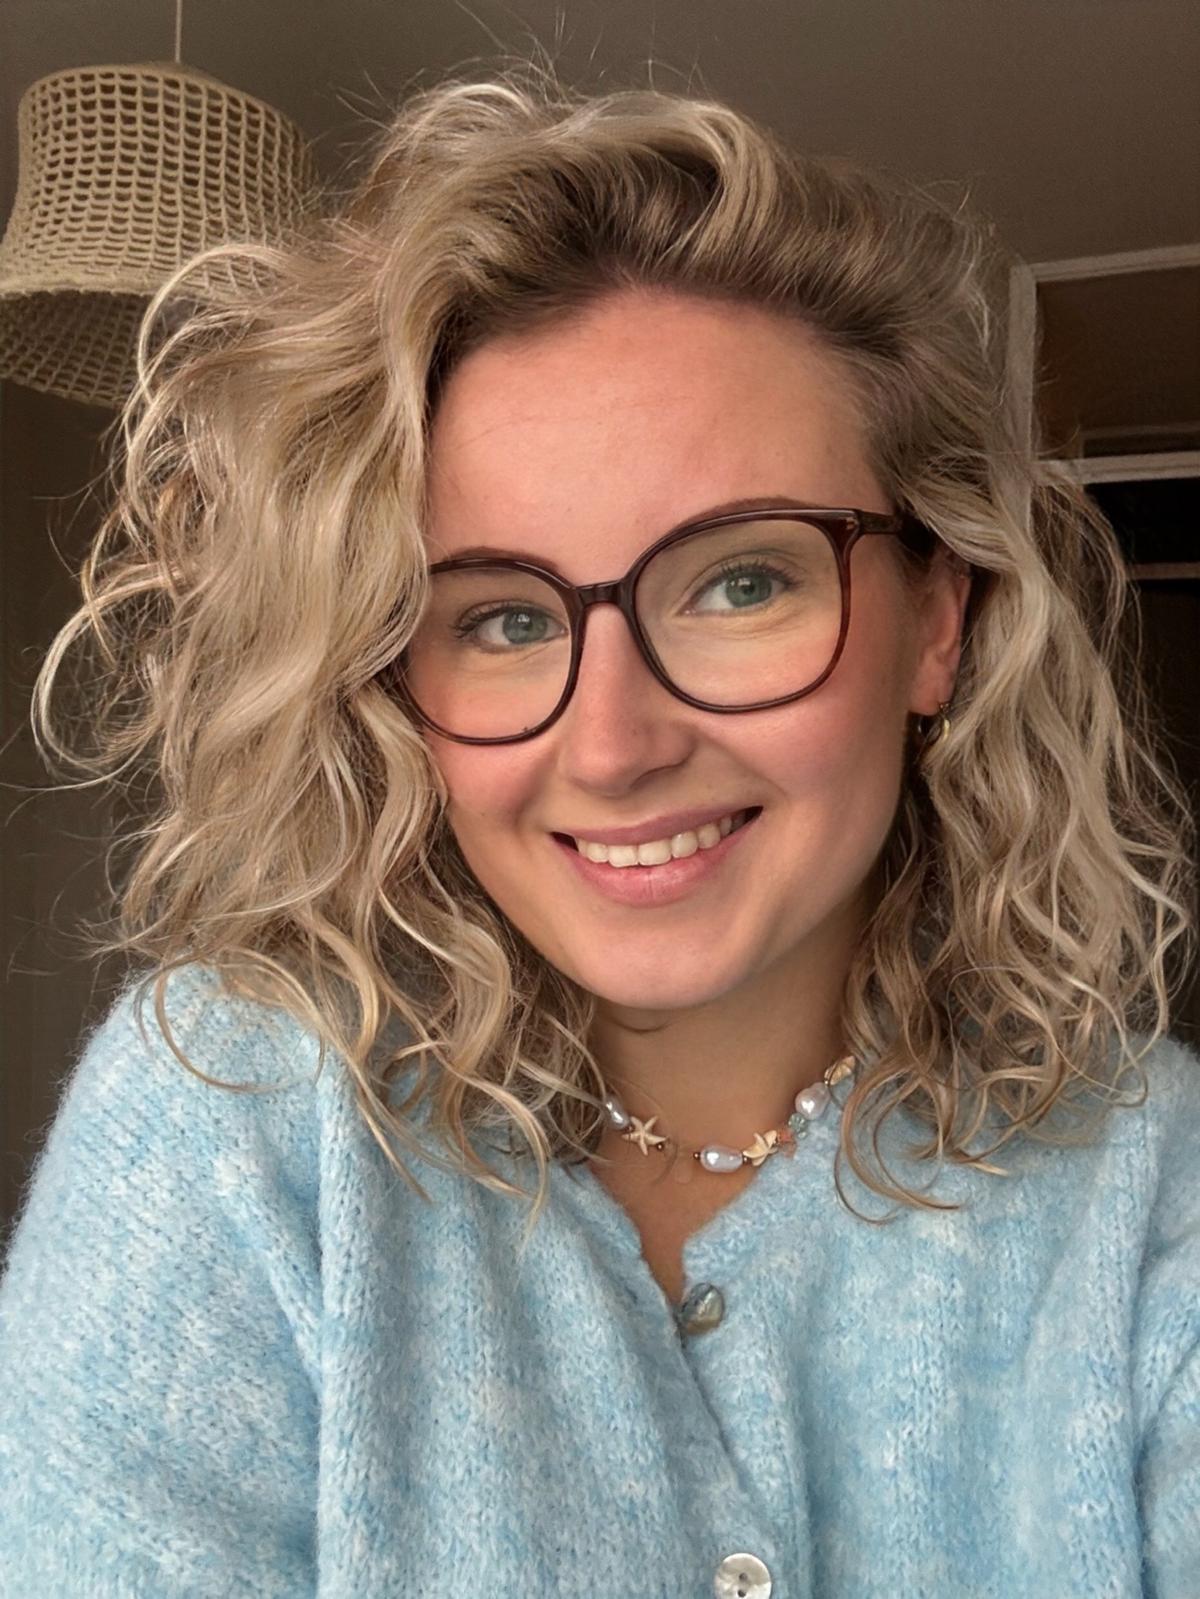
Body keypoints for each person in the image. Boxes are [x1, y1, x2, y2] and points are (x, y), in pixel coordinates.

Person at [1, 62, 1197, 1599]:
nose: (617, 746)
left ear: (937, 624)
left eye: (741, 583)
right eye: (502, 618)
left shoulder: (1145, 1192)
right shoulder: (238, 1126)